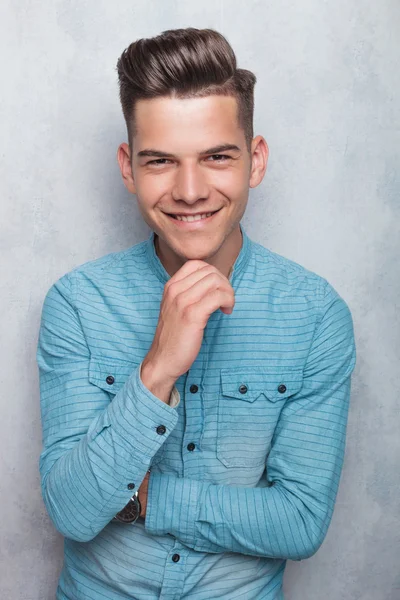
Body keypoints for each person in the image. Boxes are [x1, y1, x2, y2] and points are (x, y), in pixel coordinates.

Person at [36, 27, 357, 600]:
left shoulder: (316, 317)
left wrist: (142, 499)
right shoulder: (78, 305)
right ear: (129, 167)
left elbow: (300, 522)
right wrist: (157, 368)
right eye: (160, 160)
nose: (189, 190)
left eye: (216, 157)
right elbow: (74, 510)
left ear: (254, 161)